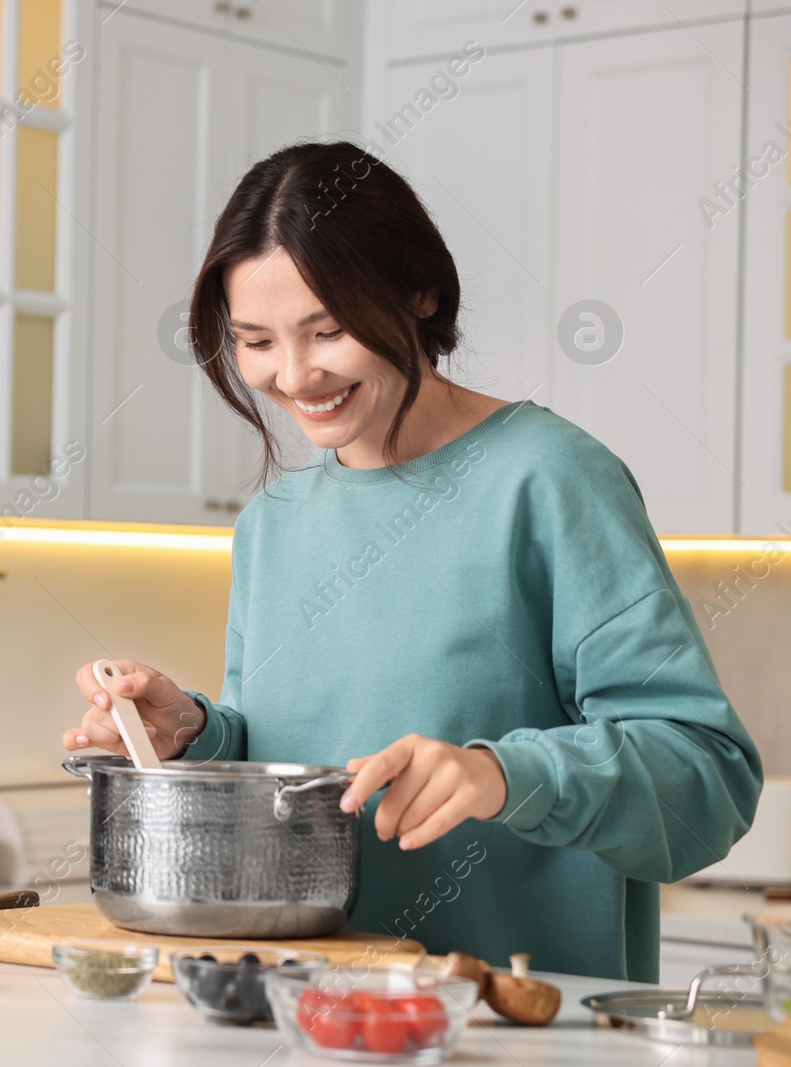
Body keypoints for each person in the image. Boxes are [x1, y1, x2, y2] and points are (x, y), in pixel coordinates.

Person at [64, 141, 761, 983]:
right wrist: (196, 738)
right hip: (305, 1015)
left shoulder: (550, 480)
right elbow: (299, 771)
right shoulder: (271, 523)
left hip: (516, 1028)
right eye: (256, 341)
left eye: (328, 330)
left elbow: (706, 783)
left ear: (421, 292)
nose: (293, 376)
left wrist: (502, 774)